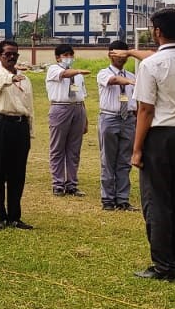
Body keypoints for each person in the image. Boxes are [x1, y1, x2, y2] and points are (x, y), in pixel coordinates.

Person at [122, 8, 175, 282]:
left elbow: (145, 110)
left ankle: (164, 266)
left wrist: (137, 148)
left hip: (159, 136)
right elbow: (162, 58)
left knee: (157, 202)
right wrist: (132, 53)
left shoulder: (150, 66)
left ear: (156, 31)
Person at [0, 40, 35, 230]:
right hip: (1, 125)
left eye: (15, 54)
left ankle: (15, 216)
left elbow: (29, 106)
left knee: (18, 174)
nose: (12, 57)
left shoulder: (25, 78)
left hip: (20, 126)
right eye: (7, 54)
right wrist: (10, 79)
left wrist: (30, 130)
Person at [97, 40, 139, 212]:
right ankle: (107, 199)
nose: (121, 58)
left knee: (124, 161)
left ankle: (122, 199)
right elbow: (113, 80)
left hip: (128, 119)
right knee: (108, 160)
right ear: (110, 54)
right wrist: (128, 82)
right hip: (110, 118)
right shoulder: (103, 73)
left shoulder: (132, 76)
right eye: (117, 54)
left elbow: (136, 102)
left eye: (124, 55)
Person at [46, 44, 90, 197]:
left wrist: (85, 118)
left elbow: (81, 96)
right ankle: (58, 183)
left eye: (71, 55)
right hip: (60, 107)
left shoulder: (78, 75)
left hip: (77, 108)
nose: (69, 58)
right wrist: (77, 71)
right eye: (65, 55)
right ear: (58, 57)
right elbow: (64, 74)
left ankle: (71, 184)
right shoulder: (54, 69)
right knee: (58, 147)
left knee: (74, 149)